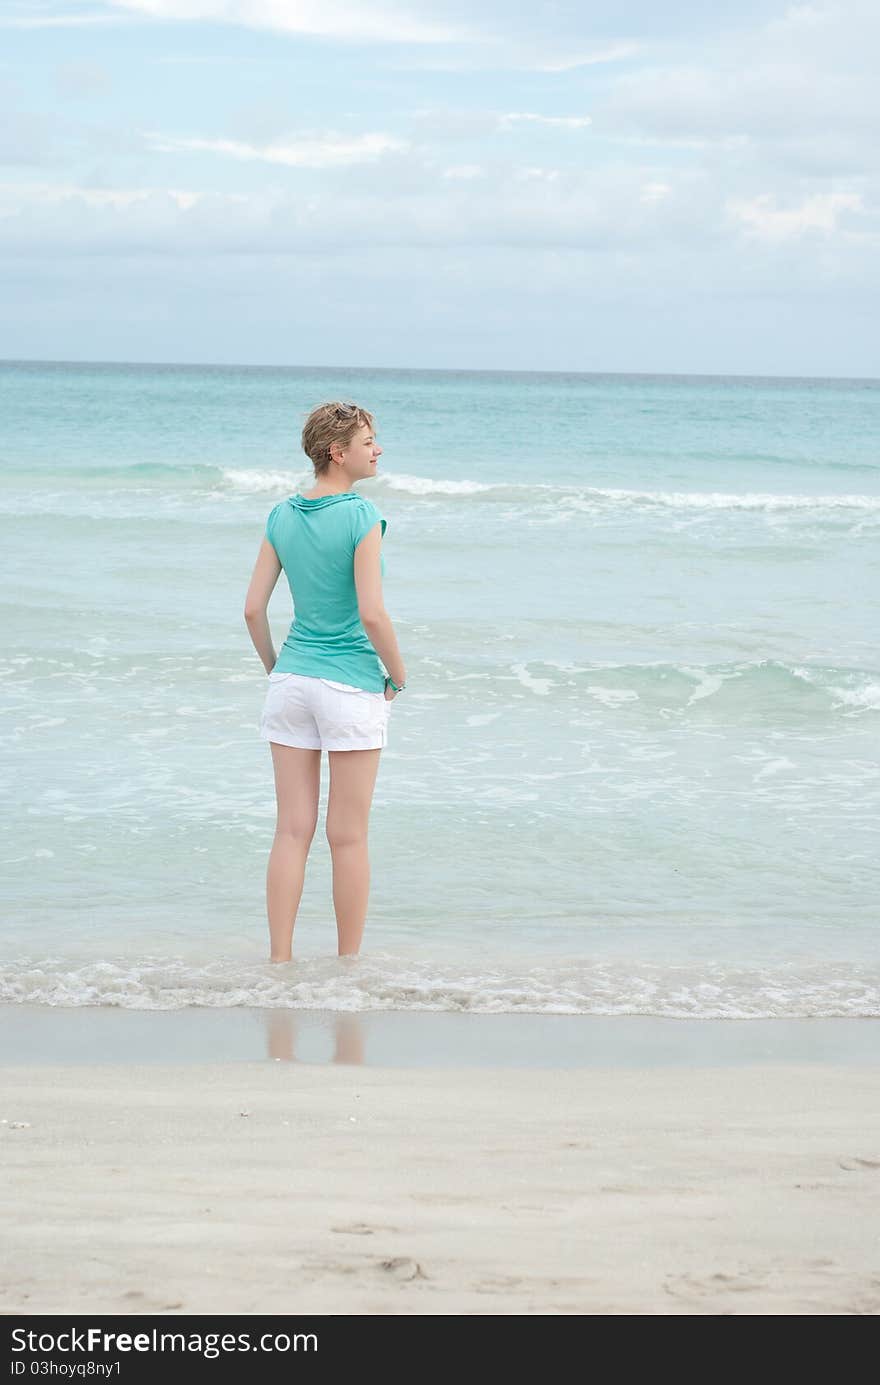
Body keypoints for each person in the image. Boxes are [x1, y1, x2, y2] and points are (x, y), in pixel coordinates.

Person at [244, 401, 407, 962]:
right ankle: (348, 970)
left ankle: (280, 962)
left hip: (290, 681)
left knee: (292, 831)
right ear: (339, 453)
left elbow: (251, 611)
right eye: (369, 441)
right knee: (349, 836)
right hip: (349, 685)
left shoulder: (281, 516)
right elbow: (372, 615)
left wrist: (278, 669)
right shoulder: (362, 516)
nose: (377, 449)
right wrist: (399, 676)